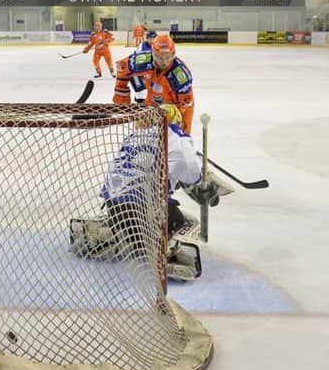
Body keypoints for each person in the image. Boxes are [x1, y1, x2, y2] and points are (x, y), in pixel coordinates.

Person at [69, 104, 233, 278]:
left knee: (131, 224)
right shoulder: (176, 135)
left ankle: (105, 233)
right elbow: (190, 170)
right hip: (146, 209)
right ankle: (167, 252)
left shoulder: (135, 136)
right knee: (186, 222)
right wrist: (201, 181)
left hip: (114, 207)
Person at [113, 34, 195, 134]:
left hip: (175, 107)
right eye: (159, 57)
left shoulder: (181, 76)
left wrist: (176, 124)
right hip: (151, 102)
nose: (164, 62)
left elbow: (186, 104)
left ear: (173, 54)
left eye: (168, 57)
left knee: (177, 140)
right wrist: (121, 95)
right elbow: (121, 66)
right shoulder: (145, 60)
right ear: (153, 53)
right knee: (140, 134)